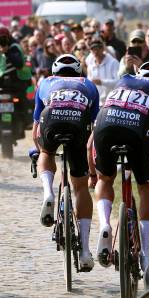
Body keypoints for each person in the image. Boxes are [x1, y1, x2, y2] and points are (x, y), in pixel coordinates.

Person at [93, 62, 149, 271]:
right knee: (145, 187)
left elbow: (91, 140)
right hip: (137, 131)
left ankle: (105, 224)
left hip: (105, 125)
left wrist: (91, 170)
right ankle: (146, 253)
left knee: (105, 179)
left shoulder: (125, 80)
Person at [33, 54, 99, 270]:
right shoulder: (88, 85)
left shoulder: (46, 83)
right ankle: (86, 251)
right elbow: (94, 129)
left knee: (46, 152)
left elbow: (36, 129)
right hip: (78, 124)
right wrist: (91, 167)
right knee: (80, 188)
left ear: (54, 71)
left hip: (51, 118)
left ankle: (48, 193)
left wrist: (40, 150)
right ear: (79, 71)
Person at [84, 36, 119, 106]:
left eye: (97, 48)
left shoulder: (113, 62)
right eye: (93, 49)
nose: (95, 51)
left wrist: (102, 82)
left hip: (111, 103)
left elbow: (118, 83)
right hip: (96, 104)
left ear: (102, 48)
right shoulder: (90, 65)